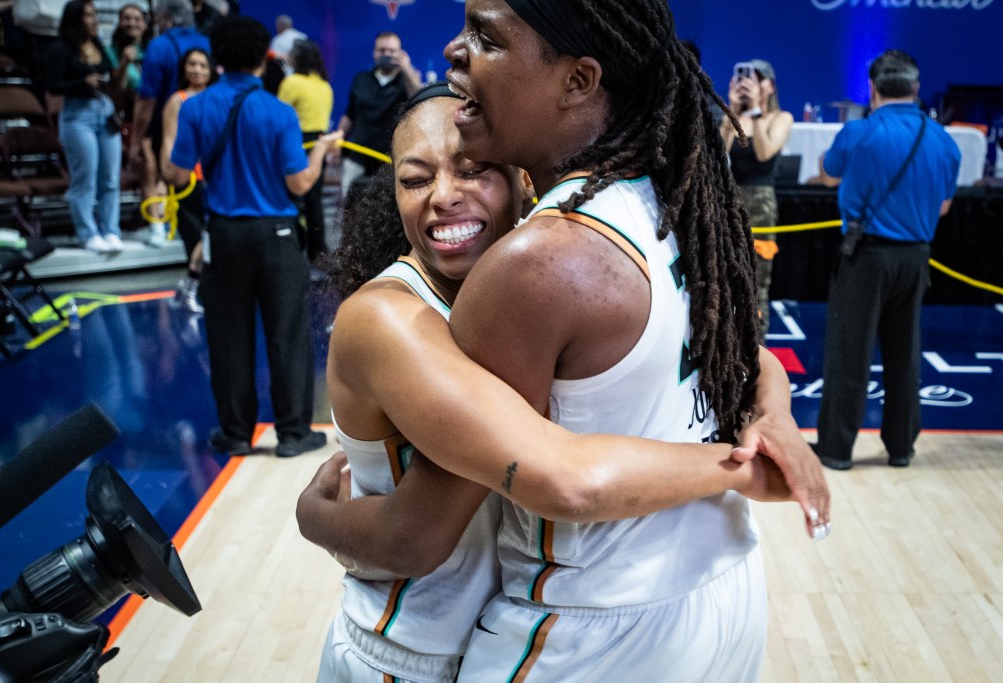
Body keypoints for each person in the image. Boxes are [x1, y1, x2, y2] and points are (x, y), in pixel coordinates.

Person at [298, 82, 807, 683]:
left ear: (522, 182)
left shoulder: (549, 282)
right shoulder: (388, 317)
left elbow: (735, 353)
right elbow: (421, 536)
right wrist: (313, 517)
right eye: (415, 180)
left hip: (502, 638)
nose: (443, 197)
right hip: (408, 653)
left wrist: (773, 411)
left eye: (474, 170)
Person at [432, 0, 827, 678]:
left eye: (485, 36)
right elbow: (750, 355)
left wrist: (318, 514)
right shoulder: (673, 202)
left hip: (593, 626)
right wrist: (774, 415)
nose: (453, 49)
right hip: (725, 587)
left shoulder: (537, 264)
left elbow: (432, 528)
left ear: (578, 81)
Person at [162, 14, 339, 458]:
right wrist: (318, 152)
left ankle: (236, 434)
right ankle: (294, 434)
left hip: (223, 235)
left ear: (217, 59)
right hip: (277, 235)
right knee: (287, 335)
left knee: (228, 337)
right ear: (263, 60)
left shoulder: (195, 108)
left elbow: (177, 173)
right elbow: (299, 185)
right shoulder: (278, 112)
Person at [812, 50, 960, 471]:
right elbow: (945, 207)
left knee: (849, 354)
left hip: (867, 255)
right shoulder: (943, 139)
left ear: (872, 89)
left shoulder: (857, 132)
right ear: (916, 89)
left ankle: (837, 450)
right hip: (916, 257)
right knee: (905, 352)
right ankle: (901, 448)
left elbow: (828, 173)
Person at [720, 59, 794, 341]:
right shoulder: (733, 116)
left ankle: (755, 342)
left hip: (761, 204)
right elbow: (718, 154)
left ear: (771, 86)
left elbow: (764, 153)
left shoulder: (780, 118)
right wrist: (732, 110)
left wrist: (755, 111)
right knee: (725, 272)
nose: (750, 83)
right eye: (746, 77)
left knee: (758, 278)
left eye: (758, 78)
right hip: (730, 199)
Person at [46, 0, 124, 254]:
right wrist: (82, 81)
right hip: (77, 115)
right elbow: (53, 85)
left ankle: (111, 230)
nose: (94, 19)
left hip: (104, 110)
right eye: (88, 15)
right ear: (75, 19)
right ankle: (87, 233)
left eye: (95, 14)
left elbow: (110, 75)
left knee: (111, 178)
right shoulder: (60, 48)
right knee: (85, 178)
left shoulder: (99, 44)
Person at [130, 0, 209, 248]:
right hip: (197, 130)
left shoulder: (159, 45)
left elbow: (146, 99)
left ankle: (159, 228)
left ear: (163, 17)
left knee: (153, 167)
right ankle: (163, 225)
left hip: (167, 128)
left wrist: (136, 139)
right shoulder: (206, 43)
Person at [331, 31, 420, 202]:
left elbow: (418, 100)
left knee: (395, 208)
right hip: (358, 158)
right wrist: (337, 141)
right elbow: (350, 115)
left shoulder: (406, 80)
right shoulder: (361, 80)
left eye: (392, 51)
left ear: (401, 53)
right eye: (382, 50)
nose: (386, 54)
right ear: (374, 52)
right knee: (347, 208)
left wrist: (407, 68)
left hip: (392, 157)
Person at [159, 47, 215, 312]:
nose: (197, 70)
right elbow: (168, 141)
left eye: (203, 65)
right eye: (192, 64)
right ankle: (193, 286)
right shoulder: (177, 100)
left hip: (215, 179)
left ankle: (190, 285)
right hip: (187, 180)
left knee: (210, 237)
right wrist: (166, 178)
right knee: (196, 239)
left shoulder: (217, 99)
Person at [277, 39, 333, 259]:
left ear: (298, 58)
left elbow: (278, 115)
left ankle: (291, 249)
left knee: (292, 198)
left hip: (297, 143)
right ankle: (318, 252)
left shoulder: (292, 82)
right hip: (320, 144)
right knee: (314, 201)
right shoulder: (324, 85)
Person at [103, 3, 148, 124]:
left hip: (150, 109)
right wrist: (124, 62)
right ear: (120, 22)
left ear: (144, 24)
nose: (132, 23)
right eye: (126, 18)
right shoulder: (110, 51)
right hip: (126, 111)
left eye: (137, 19)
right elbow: (117, 89)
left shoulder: (152, 48)